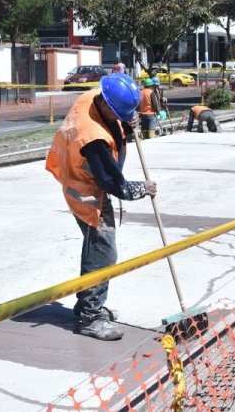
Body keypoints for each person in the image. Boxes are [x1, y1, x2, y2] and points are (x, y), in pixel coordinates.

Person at [45, 73, 156, 341]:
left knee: (96, 247)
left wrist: (128, 125)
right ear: (106, 104)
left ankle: (87, 303)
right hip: (86, 190)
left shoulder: (95, 96)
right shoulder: (92, 136)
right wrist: (142, 188)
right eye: (117, 114)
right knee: (103, 251)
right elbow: (111, 182)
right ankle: (90, 317)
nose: (119, 117)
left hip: (81, 176)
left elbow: (115, 133)